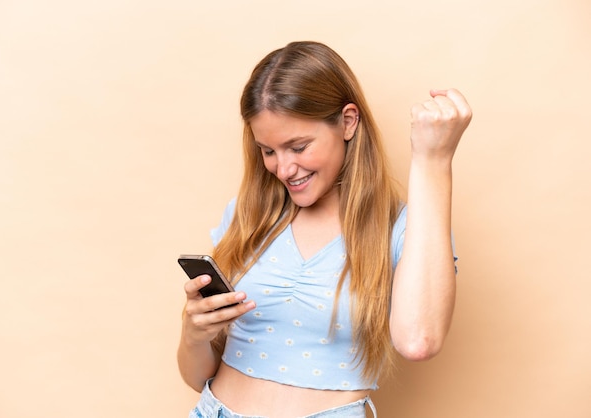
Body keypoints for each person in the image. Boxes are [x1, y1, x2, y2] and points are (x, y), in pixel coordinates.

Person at [178, 41, 472, 418]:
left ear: (348, 122)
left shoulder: (405, 231)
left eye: (298, 147)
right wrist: (193, 333)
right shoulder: (248, 217)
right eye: (268, 151)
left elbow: (418, 340)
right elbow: (196, 376)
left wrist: (433, 160)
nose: (283, 169)